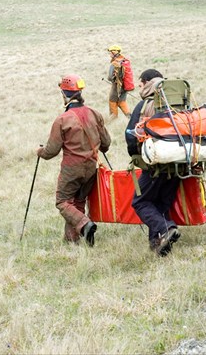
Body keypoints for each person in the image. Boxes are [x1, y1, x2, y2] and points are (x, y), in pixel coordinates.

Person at [37, 74, 111, 246]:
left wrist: (39, 151)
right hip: (91, 167)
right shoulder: (94, 113)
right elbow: (106, 143)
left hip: (72, 168)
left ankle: (85, 224)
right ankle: (72, 240)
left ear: (64, 94)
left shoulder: (62, 120)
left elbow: (51, 151)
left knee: (63, 202)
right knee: (78, 201)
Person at [125, 69, 181, 256]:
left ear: (147, 82)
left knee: (140, 202)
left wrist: (137, 157)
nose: (140, 87)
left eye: (140, 84)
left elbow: (130, 136)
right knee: (161, 204)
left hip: (156, 163)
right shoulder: (178, 102)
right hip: (179, 162)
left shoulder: (144, 105)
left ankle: (166, 229)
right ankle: (158, 245)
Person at [106, 45, 131, 119]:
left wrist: (110, 79)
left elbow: (110, 77)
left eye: (110, 52)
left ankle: (113, 119)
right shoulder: (124, 60)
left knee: (112, 102)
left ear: (114, 52)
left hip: (116, 87)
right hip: (125, 86)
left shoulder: (115, 63)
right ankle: (130, 117)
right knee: (122, 102)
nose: (110, 54)